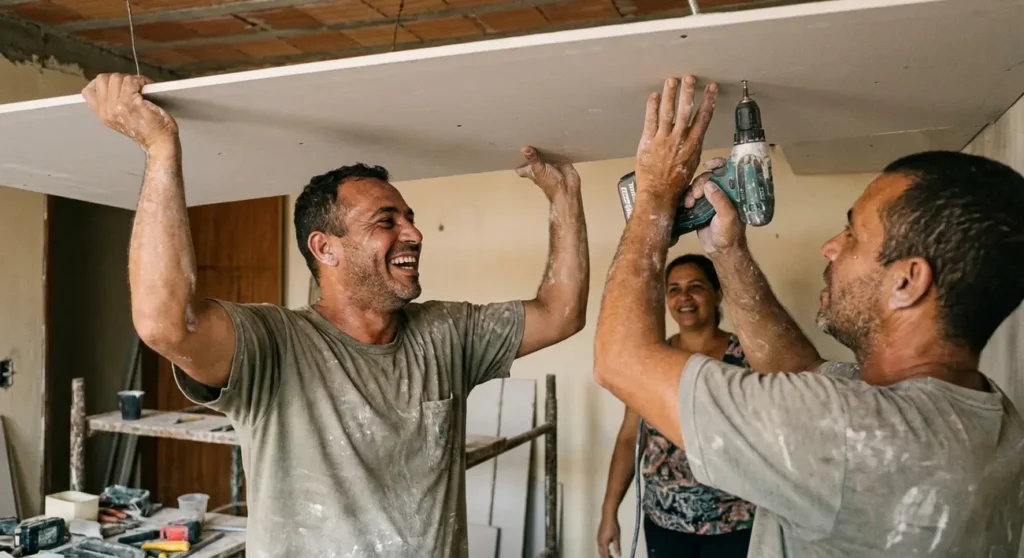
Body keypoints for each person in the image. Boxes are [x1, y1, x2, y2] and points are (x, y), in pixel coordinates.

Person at [81, 73, 591, 557]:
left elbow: (559, 313)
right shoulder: (275, 345)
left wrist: (564, 195)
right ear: (325, 249)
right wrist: (160, 148)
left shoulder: (448, 333)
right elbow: (164, 324)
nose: (413, 234)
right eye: (386, 222)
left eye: (409, 219)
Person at [594, 74, 1024, 557]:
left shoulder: (845, 430)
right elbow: (797, 370)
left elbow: (620, 361)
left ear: (907, 281)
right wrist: (727, 252)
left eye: (853, 234)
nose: (830, 247)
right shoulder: (984, 415)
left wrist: (652, 200)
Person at [598, 254, 754, 558]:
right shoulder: (653, 360)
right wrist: (608, 512)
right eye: (674, 289)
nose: (684, 297)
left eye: (695, 287)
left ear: (717, 293)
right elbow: (631, 437)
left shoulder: (746, 359)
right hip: (664, 521)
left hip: (734, 522)